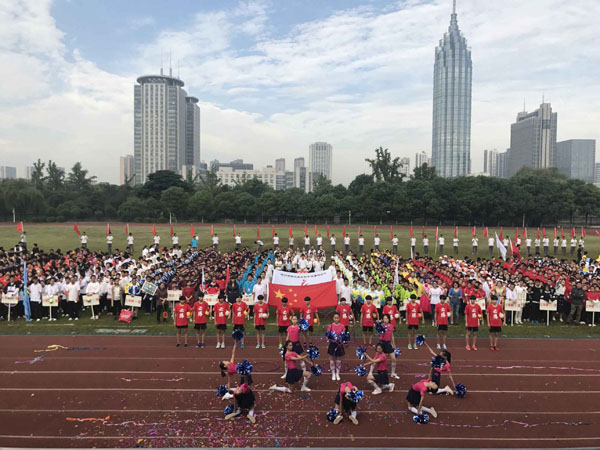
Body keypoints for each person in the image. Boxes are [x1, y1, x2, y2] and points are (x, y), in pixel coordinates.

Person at [378, 314, 399, 379]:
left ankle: (393, 373)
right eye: (384, 318)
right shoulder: (381, 326)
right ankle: (371, 371)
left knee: (394, 359)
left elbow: (392, 336)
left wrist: (394, 345)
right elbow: (380, 333)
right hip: (382, 343)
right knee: (378, 359)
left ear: (389, 319)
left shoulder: (391, 326)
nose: (385, 320)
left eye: (386, 318)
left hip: (388, 343)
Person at [327, 312, 346, 381]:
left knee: (339, 358)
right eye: (335, 318)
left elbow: (344, 335)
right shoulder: (330, 326)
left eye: (337, 318)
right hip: (333, 343)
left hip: (339, 344)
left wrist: (342, 338)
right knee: (332, 358)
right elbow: (328, 335)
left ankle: (337, 373)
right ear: (333, 318)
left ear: (339, 318)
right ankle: (333, 373)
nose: (336, 319)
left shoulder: (342, 326)